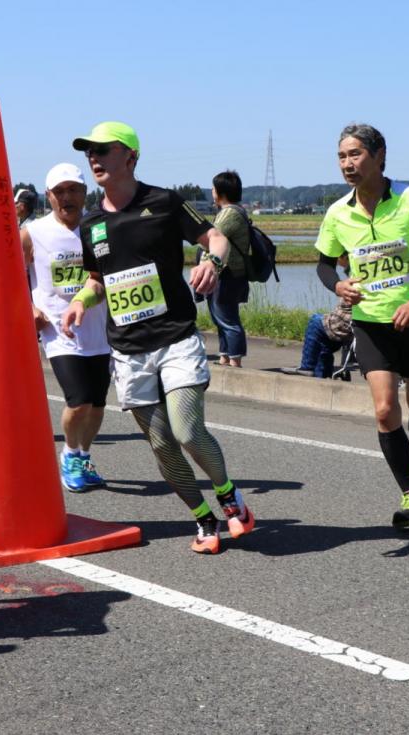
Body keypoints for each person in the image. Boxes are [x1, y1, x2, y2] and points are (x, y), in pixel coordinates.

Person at [61, 121, 255, 555]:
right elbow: (98, 280)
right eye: (88, 152)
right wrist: (81, 301)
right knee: (163, 445)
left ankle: (228, 495)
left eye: (102, 150)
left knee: (186, 431)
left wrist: (212, 264)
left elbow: (217, 238)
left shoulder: (163, 202)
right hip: (129, 351)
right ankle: (203, 519)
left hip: (176, 339)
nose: (93, 158)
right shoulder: (91, 222)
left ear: (129, 157)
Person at [314, 123, 409, 530]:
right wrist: (338, 284)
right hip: (371, 324)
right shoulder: (338, 213)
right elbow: (324, 264)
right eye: (341, 156)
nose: (347, 164)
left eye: (355, 154)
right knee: (383, 409)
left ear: (379, 156)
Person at [23, 163, 110, 492]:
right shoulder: (34, 232)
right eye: (59, 192)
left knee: (98, 404)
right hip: (57, 329)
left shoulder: (98, 227)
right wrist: (29, 308)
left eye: (73, 189)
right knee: (79, 400)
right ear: (48, 196)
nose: (67, 197)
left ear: (86, 193)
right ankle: (70, 454)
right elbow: (9, 273)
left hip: (99, 327)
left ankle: (84, 456)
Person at [205, 171, 250, 367]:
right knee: (220, 317)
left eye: (213, 188)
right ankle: (224, 357)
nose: (212, 192)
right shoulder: (230, 211)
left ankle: (235, 361)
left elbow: (210, 240)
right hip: (227, 273)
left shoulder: (230, 214)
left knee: (227, 318)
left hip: (229, 274)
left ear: (221, 192)